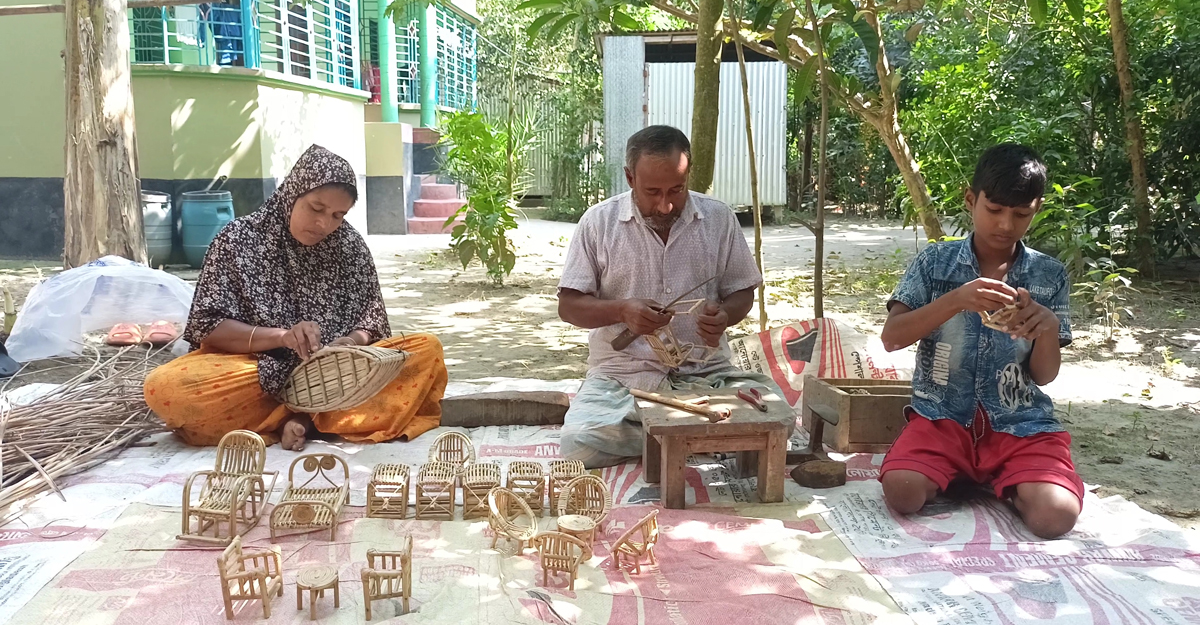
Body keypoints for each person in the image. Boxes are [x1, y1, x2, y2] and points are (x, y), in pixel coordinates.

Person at [144, 145, 448, 451]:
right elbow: (208, 327)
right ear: (292, 192)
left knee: (425, 350)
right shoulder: (237, 241)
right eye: (316, 208)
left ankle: (305, 415)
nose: (324, 224)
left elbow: (372, 321)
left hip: (338, 378)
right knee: (166, 388)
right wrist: (283, 338)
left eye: (338, 215)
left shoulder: (349, 246)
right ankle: (303, 414)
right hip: (259, 373)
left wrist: (351, 343)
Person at [879, 143, 1081, 539]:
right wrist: (956, 300)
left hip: (1020, 423)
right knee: (903, 492)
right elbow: (891, 339)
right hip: (941, 418)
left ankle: (1003, 479)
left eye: (1020, 214)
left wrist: (1047, 328)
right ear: (971, 199)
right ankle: (976, 474)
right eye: (994, 210)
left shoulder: (1048, 274)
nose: (1006, 224)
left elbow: (1044, 376)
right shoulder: (935, 263)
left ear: (1035, 209)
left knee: (1055, 517)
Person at [556, 125, 789, 468]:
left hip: (708, 373)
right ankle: (699, 438)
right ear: (629, 177)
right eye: (652, 191)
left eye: (676, 189)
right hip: (622, 377)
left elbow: (741, 292)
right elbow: (569, 306)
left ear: (688, 173)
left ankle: (674, 437)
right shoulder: (598, 223)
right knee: (578, 444)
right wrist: (622, 310)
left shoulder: (718, 218)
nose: (665, 205)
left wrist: (725, 315)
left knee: (782, 421)